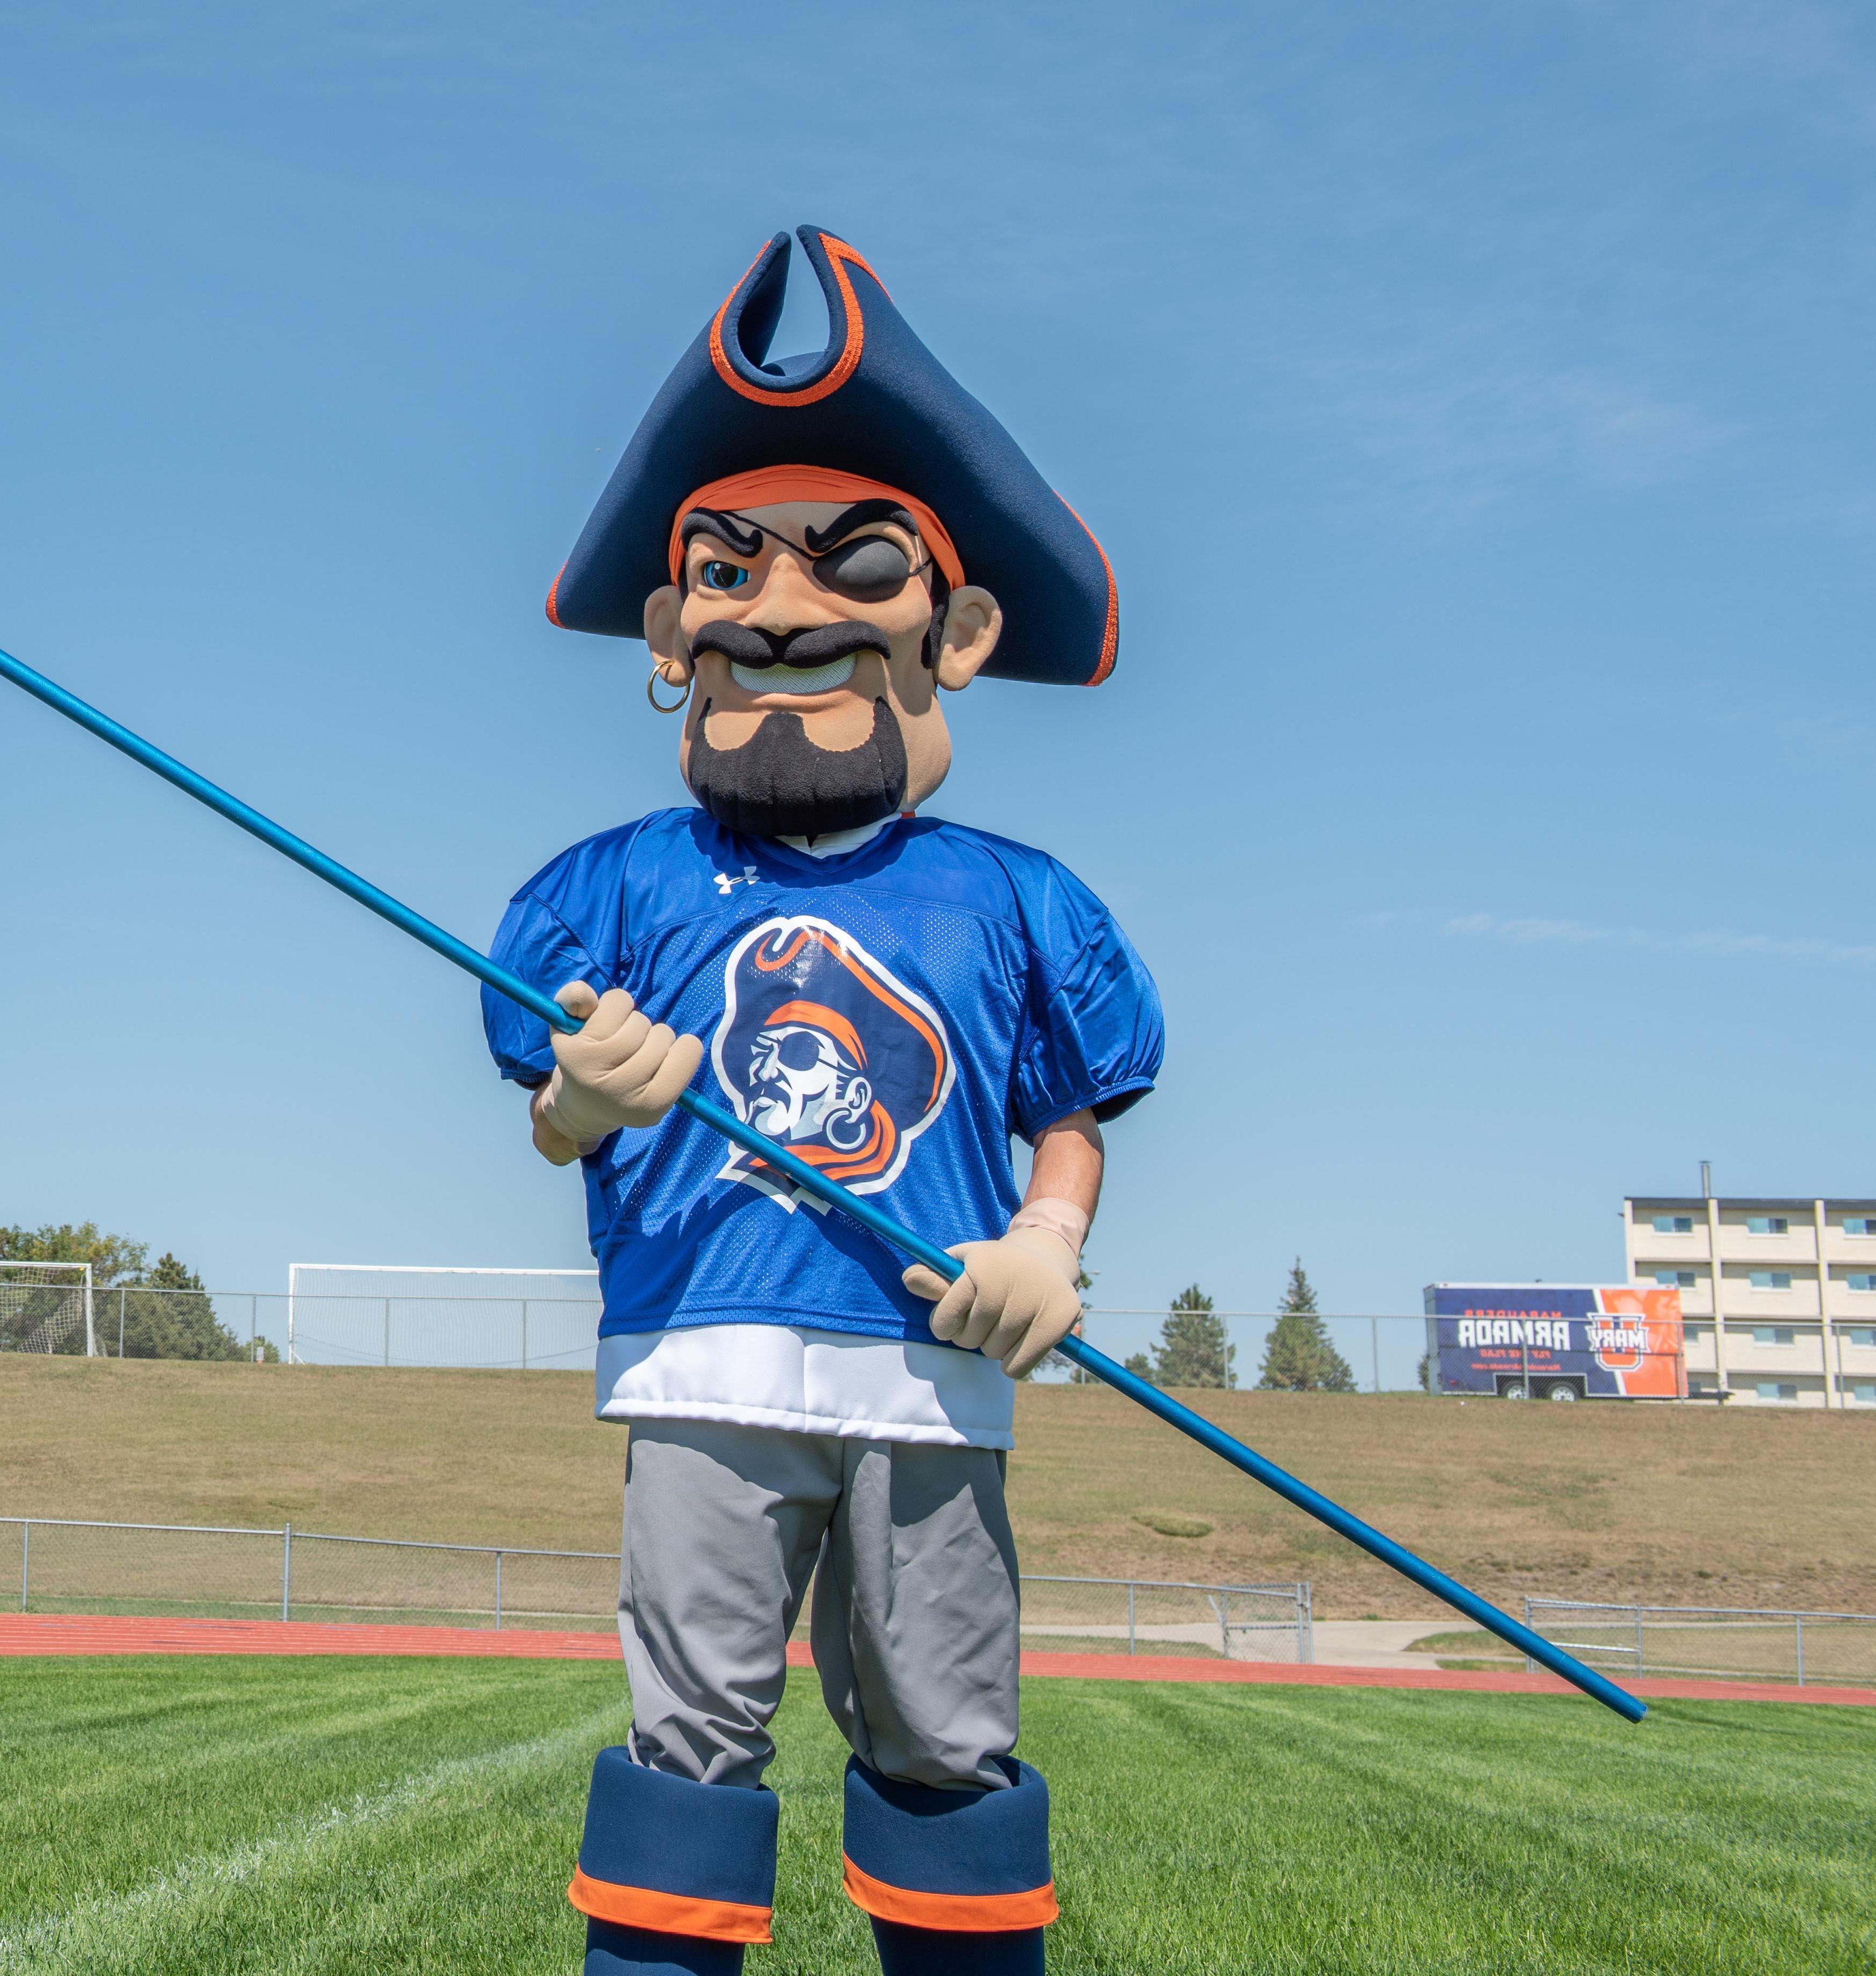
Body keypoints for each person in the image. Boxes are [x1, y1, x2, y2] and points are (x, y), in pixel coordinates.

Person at [491, 227, 1165, 1976]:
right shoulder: (614, 882)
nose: (779, 609)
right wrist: (577, 1102)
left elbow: (1069, 1107)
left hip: (930, 1379)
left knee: (943, 1738)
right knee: (687, 1739)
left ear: (958, 630)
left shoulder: (1016, 898)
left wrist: (1046, 1232)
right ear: (670, 634)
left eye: (849, 562)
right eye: (726, 569)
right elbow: (546, 1114)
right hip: (704, 1360)